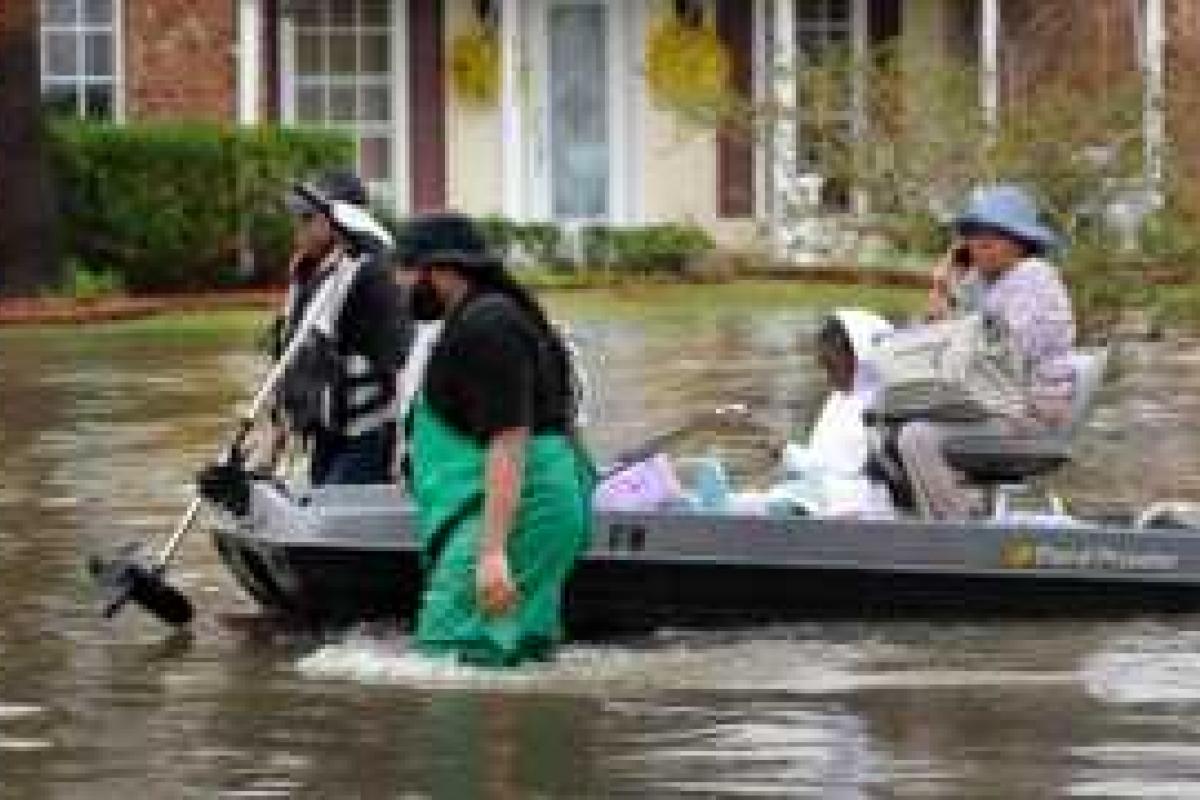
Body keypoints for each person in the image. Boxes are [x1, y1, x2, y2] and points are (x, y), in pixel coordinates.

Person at [396, 212, 594, 667]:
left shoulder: (489, 328)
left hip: (525, 504)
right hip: (526, 502)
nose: (399, 283)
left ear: (441, 271)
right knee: (512, 654)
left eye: (406, 270)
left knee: (450, 652)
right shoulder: (484, 317)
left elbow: (509, 441)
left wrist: (491, 554)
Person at [896, 184, 1076, 520]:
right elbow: (926, 344)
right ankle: (932, 519)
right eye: (974, 235)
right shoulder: (981, 283)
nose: (979, 244)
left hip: (1026, 415)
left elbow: (1000, 352)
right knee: (893, 424)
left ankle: (959, 528)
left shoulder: (1033, 278)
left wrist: (950, 314)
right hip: (988, 405)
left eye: (993, 236)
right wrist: (942, 286)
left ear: (1020, 242)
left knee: (916, 437)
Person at [269, 170, 410, 485]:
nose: (298, 227)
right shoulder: (309, 274)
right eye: (296, 217)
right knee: (315, 505)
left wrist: (403, 446)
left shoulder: (373, 277)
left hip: (370, 435)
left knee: (332, 510)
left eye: (307, 217)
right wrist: (278, 432)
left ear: (340, 220)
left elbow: (403, 363)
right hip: (327, 433)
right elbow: (294, 362)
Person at [776, 309, 896, 518]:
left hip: (864, 507)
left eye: (831, 365)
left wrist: (788, 453)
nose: (828, 375)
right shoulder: (837, 400)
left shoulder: (885, 402)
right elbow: (820, 464)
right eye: (824, 366)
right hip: (826, 496)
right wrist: (783, 452)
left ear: (858, 358)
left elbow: (848, 469)